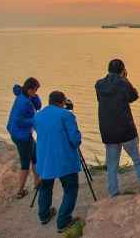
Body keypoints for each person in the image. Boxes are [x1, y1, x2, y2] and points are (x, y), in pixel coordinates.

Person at [95, 59, 140, 197]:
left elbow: (101, 100)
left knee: (112, 165)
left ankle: (113, 193)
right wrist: (125, 79)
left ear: (108, 70)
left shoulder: (99, 85)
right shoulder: (123, 83)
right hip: (126, 129)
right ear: (122, 70)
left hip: (108, 131)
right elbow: (133, 97)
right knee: (137, 159)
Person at [34, 91, 82, 233]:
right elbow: (75, 140)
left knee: (45, 186)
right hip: (64, 160)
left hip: (44, 160)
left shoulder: (38, 116)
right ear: (62, 102)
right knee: (70, 189)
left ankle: (44, 215)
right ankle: (63, 221)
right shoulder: (66, 115)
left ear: (49, 101)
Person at [6, 77, 42, 199]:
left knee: (35, 155)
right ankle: (20, 191)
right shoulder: (24, 102)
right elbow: (19, 121)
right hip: (22, 135)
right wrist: (35, 120)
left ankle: (38, 182)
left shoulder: (23, 94)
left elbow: (38, 106)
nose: (36, 92)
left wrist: (34, 96)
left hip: (18, 133)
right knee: (25, 163)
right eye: (35, 90)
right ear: (30, 89)